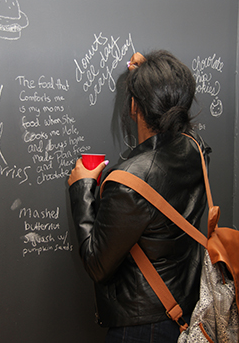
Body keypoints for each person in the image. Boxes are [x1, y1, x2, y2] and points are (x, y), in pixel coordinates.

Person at [68, 50, 211, 343]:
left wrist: (81, 189)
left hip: (142, 326)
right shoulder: (195, 150)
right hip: (184, 310)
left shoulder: (129, 180)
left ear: (134, 106)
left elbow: (98, 264)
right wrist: (155, 78)